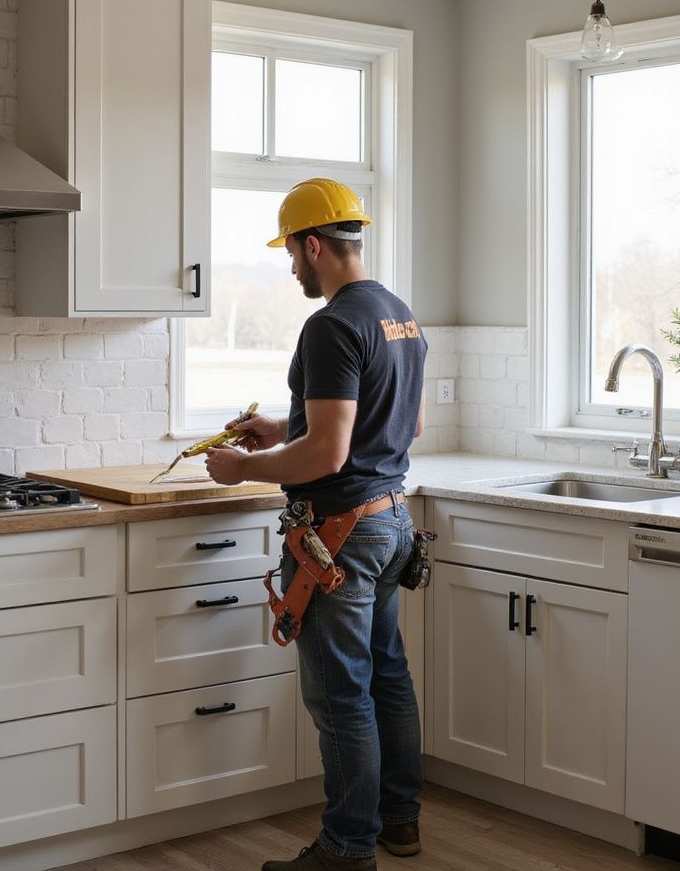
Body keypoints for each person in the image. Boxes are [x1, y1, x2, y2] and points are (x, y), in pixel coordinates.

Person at [205, 178, 427, 871]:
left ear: (314, 244)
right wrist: (284, 428)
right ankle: (399, 821)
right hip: (390, 522)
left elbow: (330, 453)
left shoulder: (330, 324)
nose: (292, 268)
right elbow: (403, 423)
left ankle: (345, 848)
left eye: (293, 255)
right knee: (387, 677)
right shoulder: (399, 315)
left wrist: (243, 469)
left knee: (340, 693)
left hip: (339, 535)